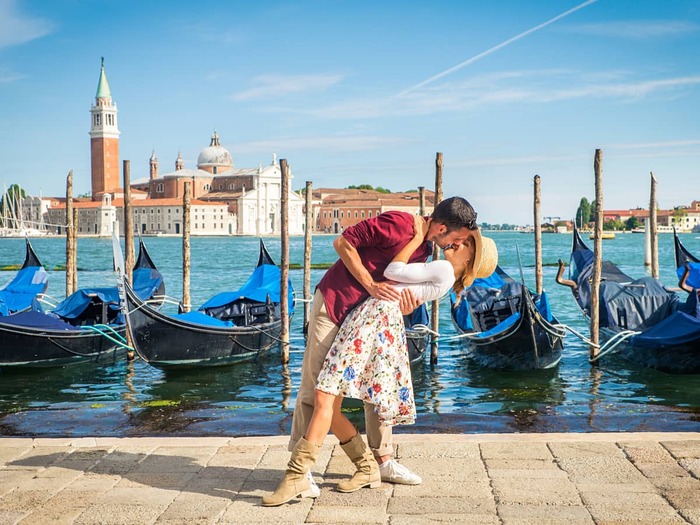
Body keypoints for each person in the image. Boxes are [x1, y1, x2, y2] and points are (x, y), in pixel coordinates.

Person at [263, 197, 491, 506]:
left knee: (377, 389)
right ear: (441, 228)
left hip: (367, 320)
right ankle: (302, 472)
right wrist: (369, 284)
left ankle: (379, 463)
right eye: (457, 238)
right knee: (315, 387)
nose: (456, 244)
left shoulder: (424, 250)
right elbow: (342, 242)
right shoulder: (397, 223)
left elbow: (403, 290)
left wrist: (409, 305)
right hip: (336, 304)